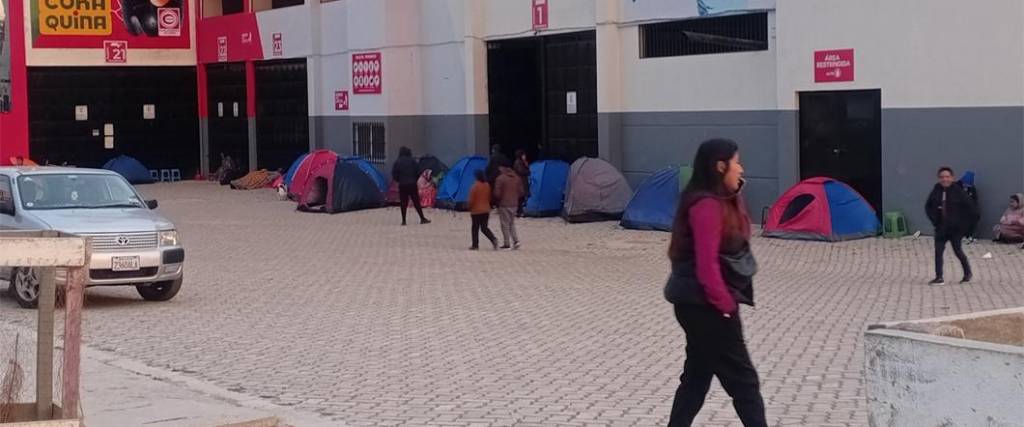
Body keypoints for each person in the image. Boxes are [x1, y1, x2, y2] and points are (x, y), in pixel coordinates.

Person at [662, 138, 767, 427]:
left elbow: (742, 231)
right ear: (721, 166)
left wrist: (735, 191)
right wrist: (725, 305)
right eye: (736, 162)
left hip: (698, 303)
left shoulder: (718, 199)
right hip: (705, 305)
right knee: (744, 381)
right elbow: (707, 265)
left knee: (696, 377)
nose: (741, 167)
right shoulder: (706, 205)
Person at [925, 166, 976, 285]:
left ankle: (967, 273)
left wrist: (966, 227)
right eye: (942, 177)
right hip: (941, 227)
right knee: (938, 252)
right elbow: (928, 206)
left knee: (957, 251)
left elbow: (972, 210)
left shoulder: (958, 191)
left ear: (952, 178)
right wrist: (935, 220)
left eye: (947, 177)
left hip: (955, 229)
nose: (945, 179)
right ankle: (939, 277)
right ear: (938, 178)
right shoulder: (936, 190)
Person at [391, 146, 430, 226]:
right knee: (416, 202)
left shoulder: (397, 162)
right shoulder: (413, 161)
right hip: (412, 184)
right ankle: (422, 218)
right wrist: (414, 179)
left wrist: (399, 180)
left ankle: (404, 221)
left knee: (403, 203)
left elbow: (394, 174)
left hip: (402, 185)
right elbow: (419, 171)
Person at [494, 164, 525, 249]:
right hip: (514, 204)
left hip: (504, 204)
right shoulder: (517, 178)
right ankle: (516, 241)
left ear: (502, 168)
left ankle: (506, 243)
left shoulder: (500, 179)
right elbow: (521, 192)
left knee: (505, 224)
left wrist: (498, 200)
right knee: (512, 223)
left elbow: (497, 193)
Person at [467, 169, 499, 250]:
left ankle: (475, 245)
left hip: (476, 211)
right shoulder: (487, 185)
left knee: (475, 228)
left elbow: (471, 200)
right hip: (486, 209)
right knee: (484, 228)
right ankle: (493, 239)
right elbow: (489, 197)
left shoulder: (475, 186)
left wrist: (469, 207)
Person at [959, 171, 980, 244]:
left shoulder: (972, 189)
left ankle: (970, 235)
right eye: (965, 185)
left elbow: (975, 200)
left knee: (975, 216)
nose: (966, 186)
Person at [513, 150, 531, 216]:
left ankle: (520, 211)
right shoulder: (519, 162)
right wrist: (528, 171)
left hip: (521, 180)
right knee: (521, 197)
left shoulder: (521, 162)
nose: (525, 156)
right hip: (521, 181)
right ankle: (519, 211)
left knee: (521, 197)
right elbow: (521, 171)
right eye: (523, 155)